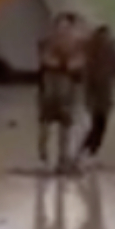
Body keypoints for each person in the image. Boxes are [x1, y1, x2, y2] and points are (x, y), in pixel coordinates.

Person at [36, 12, 84, 171]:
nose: (63, 31)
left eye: (67, 27)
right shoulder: (47, 43)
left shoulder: (77, 45)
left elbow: (78, 64)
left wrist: (64, 64)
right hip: (50, 89)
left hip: (66, 90)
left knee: (65, 126)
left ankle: (62, 159)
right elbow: (46, 59)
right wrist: (63, 64)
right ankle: (44, 153)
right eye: (60, 27)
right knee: (45, 124)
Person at [76, 24, 115, 168]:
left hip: (100, 94)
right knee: (98, 126)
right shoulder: (100, 53)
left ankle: (85, 153)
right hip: (99, 94)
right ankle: (87, 153)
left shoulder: (99, 52)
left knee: (97, 126)